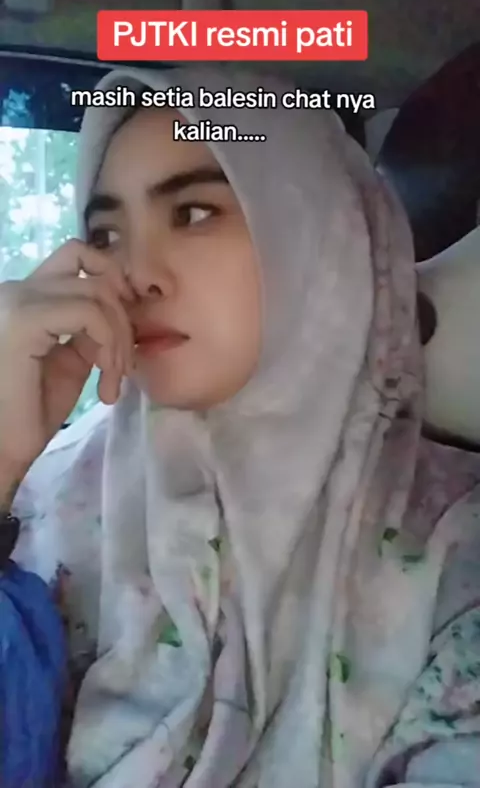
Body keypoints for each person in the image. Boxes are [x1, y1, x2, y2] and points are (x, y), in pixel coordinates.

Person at [2, 65, 480, 788]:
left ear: (320, 236)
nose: (134, 275)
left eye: (193, 213)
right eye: (105, 233)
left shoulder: (453, 554)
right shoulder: (44, 490)